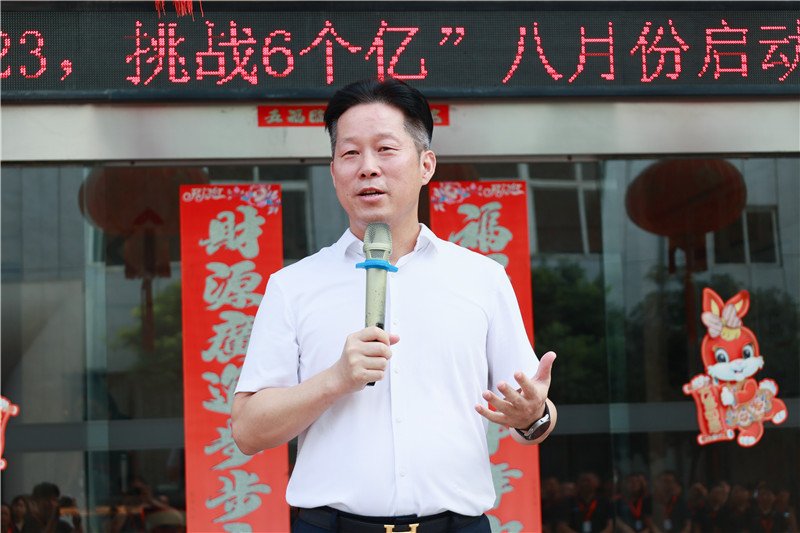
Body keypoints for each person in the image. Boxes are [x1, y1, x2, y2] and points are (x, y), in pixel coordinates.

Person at [231, 77, 558, 533]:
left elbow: (533, 409)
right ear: (333, 172)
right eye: (350, 153)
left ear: (426, 165)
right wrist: (334, 380)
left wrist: (533, 416)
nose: (368, 168)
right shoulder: (293, 285)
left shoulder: (481, 278)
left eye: (385, 149)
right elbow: (247, 431)